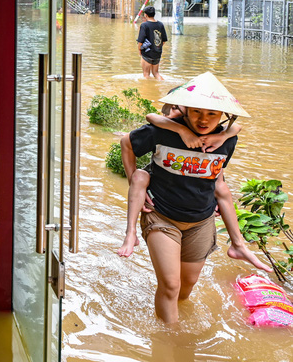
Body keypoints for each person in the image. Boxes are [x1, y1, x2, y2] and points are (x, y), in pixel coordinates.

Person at [116, 72, 271, 325]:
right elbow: (127, 143)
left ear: (223, 115)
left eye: (212, 114)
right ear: (185, 109)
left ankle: (171, 313)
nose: (203, 119)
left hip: (201, 221)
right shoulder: (162, 132)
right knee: (170, 285)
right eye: (197, 111)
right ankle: (171, 342)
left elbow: (217, 180)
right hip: (161, 215)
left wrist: (223, 136)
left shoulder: (226, 140)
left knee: (187, 285)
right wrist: (137, 183)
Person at [137, 6, 168, 81]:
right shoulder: (160, 24)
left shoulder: (144, 25)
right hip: (157, 53)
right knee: (156, 73)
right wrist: (157, 47)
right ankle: (163, 84)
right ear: (154, 14)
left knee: (146, 74)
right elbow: (163, 40)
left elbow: (140, 41)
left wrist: (139, 50)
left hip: (147, 53)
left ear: (145, 15)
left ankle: (147, 91)